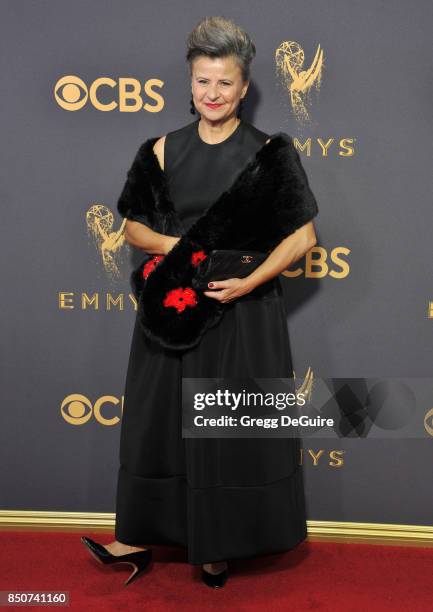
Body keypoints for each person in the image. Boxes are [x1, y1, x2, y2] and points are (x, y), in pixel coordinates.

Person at [81, 15, 318, 589]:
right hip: (173, 311)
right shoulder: (161, 149)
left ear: (244, 87)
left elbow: (303, 238)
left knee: (222, 429)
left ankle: (217, 548)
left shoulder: (268, 153)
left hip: (241, 311)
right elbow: (133, 227)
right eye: (203, 81)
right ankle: (136, 538)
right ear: (190, 84)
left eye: (225, 83)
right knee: (157, 426)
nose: (213, 93)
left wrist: (249, 281)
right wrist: (186, 248)